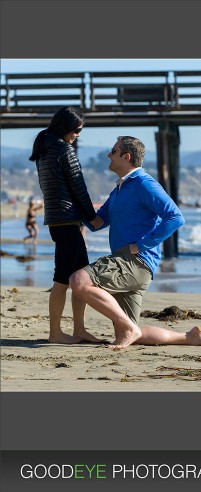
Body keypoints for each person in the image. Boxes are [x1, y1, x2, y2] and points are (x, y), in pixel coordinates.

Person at [69, 136, 201, 350]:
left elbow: (175, 217)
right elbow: (96, 222)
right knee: (131, 331)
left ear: (126, 156)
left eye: (113, 151)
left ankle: (126, 329)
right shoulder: (120, 189)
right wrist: (71, 202)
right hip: (127, 264)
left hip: (135, 261)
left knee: (79, 281)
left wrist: (141, 245)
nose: (108, 155)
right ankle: (190, 337)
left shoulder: (144, 184)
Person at [29, 106, 104, 344]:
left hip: (57, 219)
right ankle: (55, 333)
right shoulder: (63, 149)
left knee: (80, 277)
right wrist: (92, 216)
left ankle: (79, 329)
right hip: (66, 220)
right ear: (67, 128)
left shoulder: (44, 148)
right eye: (77, 130)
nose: (78, 135)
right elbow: (78, 187)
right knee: (62, 278)